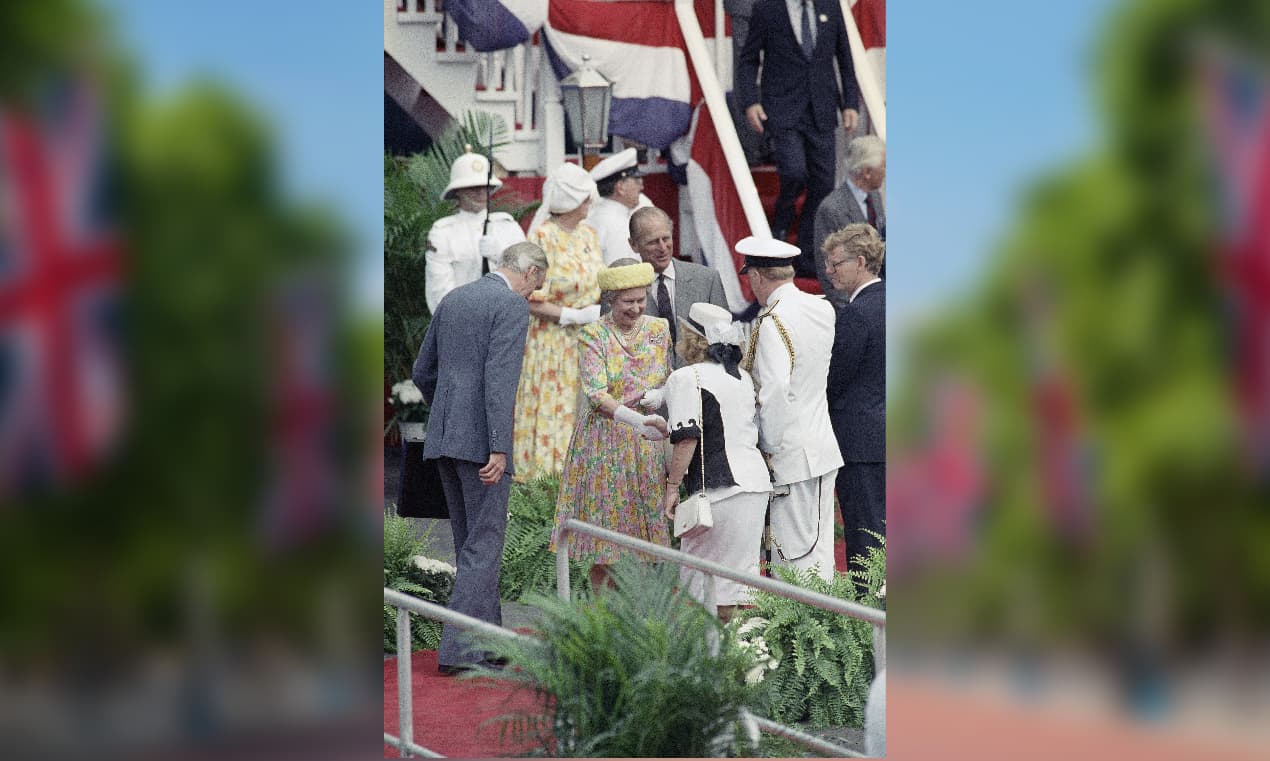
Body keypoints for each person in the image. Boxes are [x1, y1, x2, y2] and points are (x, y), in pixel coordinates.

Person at [412, 241, 547, 674]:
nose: (531, 295)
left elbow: (422, 371)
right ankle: (460, 652)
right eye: (535, 287)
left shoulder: (454, 297)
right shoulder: (510, 305)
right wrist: (498, 446)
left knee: (470, 544)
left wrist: (447, 415)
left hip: (444, 438)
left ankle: (487, 642)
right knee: (484, 546)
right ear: (530, 272)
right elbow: (500, 380)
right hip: (482, 445)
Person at [551, 260, 673, 590]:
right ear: (609, 299)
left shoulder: (659, 329)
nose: (635, 308)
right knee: (605, 540)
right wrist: (637, 420)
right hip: (605, 443)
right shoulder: (594, 334)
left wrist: (661, 395)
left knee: (646, 537)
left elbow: (670, 376)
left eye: (640, 300)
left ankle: (644, 611)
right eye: (627, 302)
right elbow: (596, 395)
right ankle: (603, 613)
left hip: (647, 445)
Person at [738, 236, 842, 580]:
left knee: (793, 558)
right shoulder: (821, 308)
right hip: (821, 444)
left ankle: (803, 615)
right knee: (819, 551)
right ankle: (825, 612)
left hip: (789, 453)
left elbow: (776, 391)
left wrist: (767, 447)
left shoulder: (772, 321)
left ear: (756, 276)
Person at [661, 302, 772, 620]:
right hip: (755, 487)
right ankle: (737, 650)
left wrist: (672, 486)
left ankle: (714, 650)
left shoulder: (687, 377)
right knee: (737, 586)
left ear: (690, 338)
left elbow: (687, 438)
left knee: (704, 585)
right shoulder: (742, 378)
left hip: (719, 490)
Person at [737, 0, 860, 277]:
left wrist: (850, 103)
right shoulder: (767, 8)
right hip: (782, 108)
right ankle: (781, 222)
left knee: (823, 184)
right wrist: (750, 102)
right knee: (794, 172)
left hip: (822, 108)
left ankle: (806, 254)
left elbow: (845, 58)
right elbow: (748, 59)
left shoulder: (830, 6)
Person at [513, 163, 606, 482]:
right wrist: (571, 315)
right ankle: (546, 482)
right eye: (584, 198)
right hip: (551, 340)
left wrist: (595, 311)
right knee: (554, 407)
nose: (589, 203)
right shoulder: (542, 237)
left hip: (588, 338)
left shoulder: (590, 235)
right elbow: (526, 295)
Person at [823, 224, 885, 568]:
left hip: (861, 445)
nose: (829, 272)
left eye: (836, 263)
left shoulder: (857, 315)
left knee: (866, 537)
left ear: (860, 262)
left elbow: (834, 380)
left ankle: (868, 604)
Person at [425, 145, 527, 314]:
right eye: (472, 187)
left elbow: (528, 278)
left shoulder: (508, 227)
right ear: (458, 191)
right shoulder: (442, 233)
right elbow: (439, 292)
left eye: (485, 186)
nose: (480, 192)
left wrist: (502, 256)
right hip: (460, 320)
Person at [629, 206, 729, 367]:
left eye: (666, 238)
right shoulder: (622, 289)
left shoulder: (707, 280)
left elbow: (726, 344)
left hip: (699, 380)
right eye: (653, 242)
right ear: (634, 245)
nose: (662, 248)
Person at [813, 135, 885, 303]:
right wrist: (851, 310)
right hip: (853, 304)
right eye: (884, 166)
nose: (886, 171)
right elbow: (828, 269)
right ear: (867, 172)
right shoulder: (831, 209)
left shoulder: (874, 196)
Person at [586, 147, 653, 265]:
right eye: (636, 181)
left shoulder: (596, 214)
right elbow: (621, 270)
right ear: (621, 187)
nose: (641, 187)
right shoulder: (619, 225)